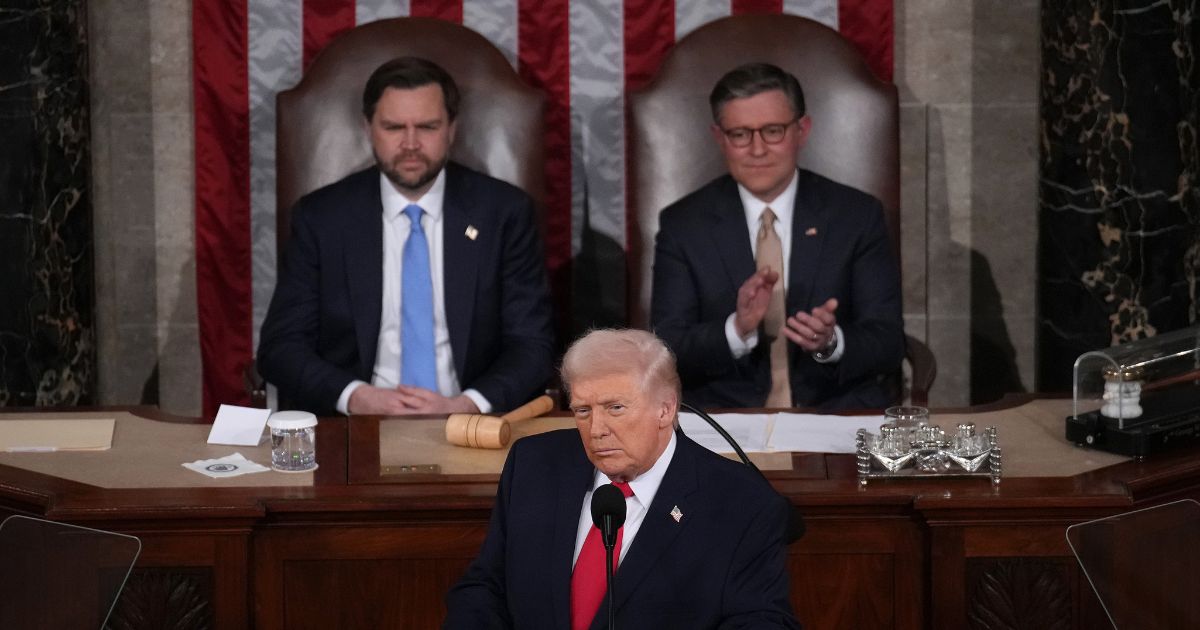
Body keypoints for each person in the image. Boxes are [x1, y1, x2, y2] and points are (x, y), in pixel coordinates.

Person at [444, 329, 799, 629]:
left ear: (666, 408)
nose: (597, 430)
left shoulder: (742, 505)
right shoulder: (533, 467)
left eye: (615, 408)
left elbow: (762, 622)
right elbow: (484, 587)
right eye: (583, 411)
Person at [257, 57, 554, 417]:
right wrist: (354, 397)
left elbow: (532, 344)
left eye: (427, 127)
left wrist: (468, 405)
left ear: (452, 129)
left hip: (471, 425)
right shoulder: (323, 218)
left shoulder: (503, 213)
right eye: (394, 127)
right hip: (357, 428)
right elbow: (282, 347)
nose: (410, 144)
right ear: (369, 128)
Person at [651, 62, 904, 410]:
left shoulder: (856, 215)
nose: (757, 149)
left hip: (834, 409)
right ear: (719, 138)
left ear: (802, 130)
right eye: (740, 134)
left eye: (772, 131)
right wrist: (736, 329)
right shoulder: (684, 224)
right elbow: (667, 348)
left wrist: (831, 342)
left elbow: (887, 341)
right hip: (726, 416)